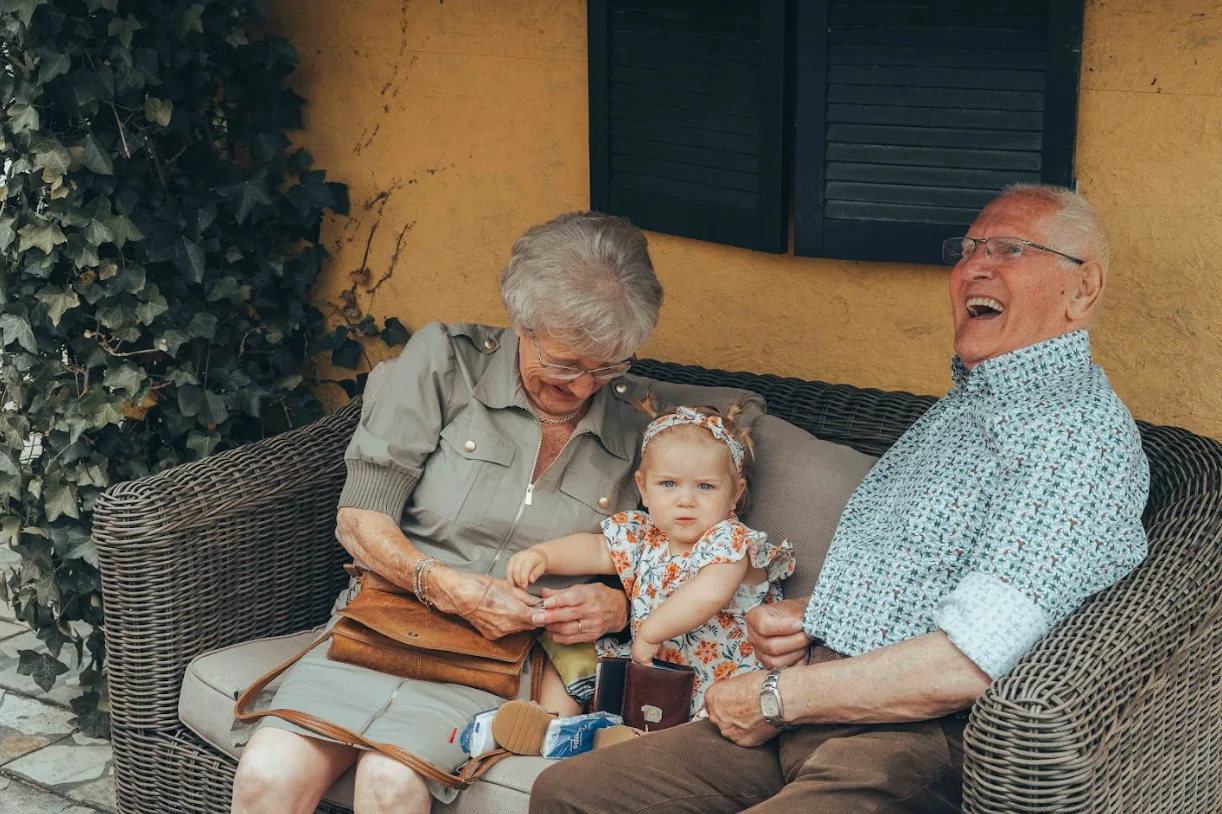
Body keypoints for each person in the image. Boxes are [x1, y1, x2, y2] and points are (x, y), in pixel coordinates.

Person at [529, 183, 1151, 813]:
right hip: (819, 701)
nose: (975, 268)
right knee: (569, 794)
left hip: (906, 735)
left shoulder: (1075, 438)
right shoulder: (969, 405)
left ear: (1083, 288)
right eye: (968, 249)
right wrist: (814, 620)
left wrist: (775, 697)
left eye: (1010, 249)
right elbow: (930, 581)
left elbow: (969, 661)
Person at [229, 211, 664, 814]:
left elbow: (668, 563)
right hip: (387, 623)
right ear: (521, 323)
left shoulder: (644, 425)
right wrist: (444, 586)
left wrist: (617, 607)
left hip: (506, 659)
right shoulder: (446, 362)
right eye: (566, 364)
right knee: (266, 774)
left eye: (607, 366)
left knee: (390, 783)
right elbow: (358, 517)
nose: (584, 387)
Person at [492, 405, 794, 751]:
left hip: (716, 680)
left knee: (698, 725)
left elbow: (710, 593)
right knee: (573, 648)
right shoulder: (643, 534)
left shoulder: (730, 541)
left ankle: (628, 744)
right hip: (649, 667)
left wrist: (651, 632)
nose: (686, 500)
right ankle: (551, 723)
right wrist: (544, 555)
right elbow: (596, 549)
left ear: (734, 493)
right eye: (668, 484)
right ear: (644, 488)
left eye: (705, 486)